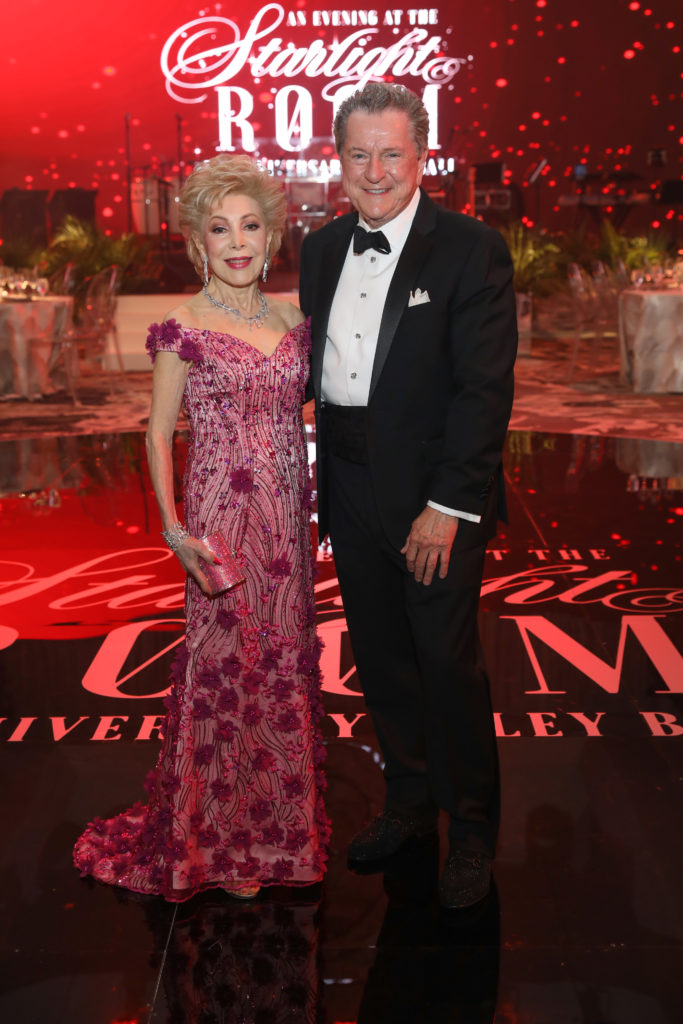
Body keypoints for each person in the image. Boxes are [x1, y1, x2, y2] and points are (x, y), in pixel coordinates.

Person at [74, 154, 330, 901]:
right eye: (220, 229)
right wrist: (173, 529)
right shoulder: (181, 328)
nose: (238, 241)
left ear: (272, 234)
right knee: (226, 673)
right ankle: (220, 839)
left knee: (281, 664)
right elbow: (156, 434)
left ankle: (280, 830)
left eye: (251, 225)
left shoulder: (291, 319)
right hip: (219, 517)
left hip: (285, 521)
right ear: (197, 243)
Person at [299, 83, 517, 908]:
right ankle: (408, 804)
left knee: (445, 665)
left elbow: (481, 391)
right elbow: (321, 375)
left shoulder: (469, 248)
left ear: (422, 155)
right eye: (358, 154)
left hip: (433, 496)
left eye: (391, 152)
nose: (375, 170)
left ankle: (470, 831)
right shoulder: (322, 251)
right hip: (348, 482)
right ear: (339, 160)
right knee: (383, 660)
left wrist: (450, 505)